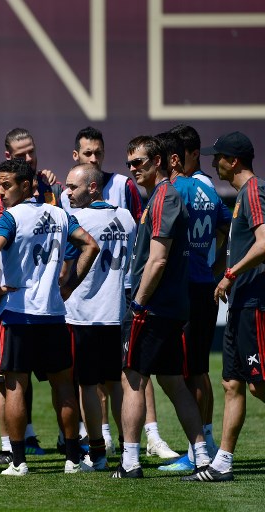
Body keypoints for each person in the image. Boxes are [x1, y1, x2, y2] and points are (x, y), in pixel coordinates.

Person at [0, 158, 100, 476]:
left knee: (15, 387)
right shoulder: (60, 214)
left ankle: (19, 462)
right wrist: (68, 287)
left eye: (7, 184)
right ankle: (73, 459)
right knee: (63, 386)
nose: (1, 191)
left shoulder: (10, 217)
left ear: (26, 185)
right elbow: (90, 245)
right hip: (53, 314)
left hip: (18, 315)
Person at [113, 135, 211, 479]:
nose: (133, 169)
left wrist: (138, 303)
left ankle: (130, 462)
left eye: (138, 162)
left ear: (159, 161)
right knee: (173, 382)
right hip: (167, 307)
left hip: (153, 308)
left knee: (133, 380)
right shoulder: (160, 197)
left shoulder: (165, 197)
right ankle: (201, 458)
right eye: (129, 164)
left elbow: (157, 260)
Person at [184, 131, 264, 482]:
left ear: (233, 161)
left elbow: (264, 243)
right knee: (231, 383)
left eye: (217, 157)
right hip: (241, 302)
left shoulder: (254, 190)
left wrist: (228, 273)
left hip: (254, 302)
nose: (213, 162)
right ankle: (223, 464)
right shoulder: (240, 196)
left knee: (257, 385)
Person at [152, 132, 230, 471]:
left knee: (186, 372)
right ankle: (208, 441)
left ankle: (195, 449)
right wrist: (215, 264)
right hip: (205, 286)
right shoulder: (208, 189)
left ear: (171, 160)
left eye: (157, 159)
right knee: (198, 369)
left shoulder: (176, 190)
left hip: (183, 289)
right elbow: (226, 224)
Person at [63, 163, 136, 470]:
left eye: (73, 187)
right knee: (118, 383)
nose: (67, 192)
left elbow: (65, 269)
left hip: (83, 315)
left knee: (88, 385)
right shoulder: (128, 217)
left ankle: (98, 453)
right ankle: (127, 448)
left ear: (93, 187)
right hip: (117, 313)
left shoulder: (75, 220)